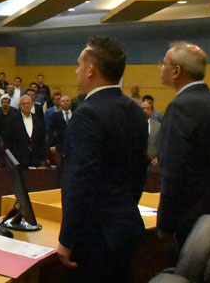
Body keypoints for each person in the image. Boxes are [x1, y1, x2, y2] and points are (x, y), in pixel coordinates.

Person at [57, 36, 149, 283]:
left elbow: (79, 181)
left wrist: (67, 239)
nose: (76, 71)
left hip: (94, 237)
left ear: (90, 70)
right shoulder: (135, 111)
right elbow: (141, 172)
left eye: (79, 65)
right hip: (126, 226)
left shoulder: (87, 114)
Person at [157, 42, 210, 247]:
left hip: (188, 221)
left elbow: (173, 171)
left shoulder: (180, 108)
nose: (162, 69)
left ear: (177, 71)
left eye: (164, 64)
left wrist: (165, 225)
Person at [4, 95, 47, 167]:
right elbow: (8, 140)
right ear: (19, 105)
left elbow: (42, 140)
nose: (26, 105)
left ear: (32, 105)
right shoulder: (12, 120)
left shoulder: (38, 119)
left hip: (36, 159)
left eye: (28, 103)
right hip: (19, 159)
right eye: (24, 104)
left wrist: (43, 158)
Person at [141, 100, 160, 165]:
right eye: (142, 108)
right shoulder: (132, 126)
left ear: (152, 111)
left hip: (153, 162)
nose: (145, 111)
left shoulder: (159, 126)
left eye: (147, 108)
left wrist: (159, 158)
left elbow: (163, 144)